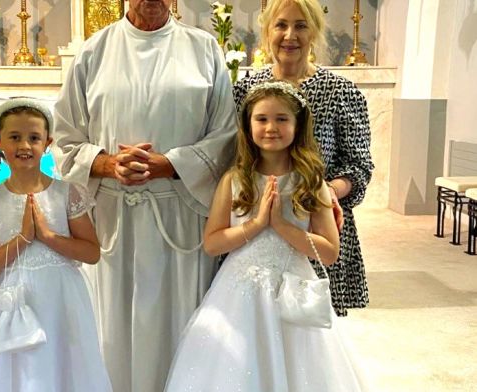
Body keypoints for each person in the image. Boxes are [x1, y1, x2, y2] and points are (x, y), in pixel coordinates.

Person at [52, 1, 238, 391]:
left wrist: (169, 164)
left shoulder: (204, 49)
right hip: (112, 217)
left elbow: (225, 136)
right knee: (111, 330)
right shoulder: (93, 51)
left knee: (178, 323)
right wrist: (107, 164)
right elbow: (66, 137)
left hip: (179, 216)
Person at [165, 81, 366, 391]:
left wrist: (282, 226)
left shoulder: (311, 182)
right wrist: (257, 224)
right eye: (261, 119)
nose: (271, 127)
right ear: (248, 126)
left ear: (298, 126)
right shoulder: (234, 180)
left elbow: (329, 252)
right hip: (239, 290)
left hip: (294, 287)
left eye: (282, 119)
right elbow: (213, 242)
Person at [233, 0, 374, 316]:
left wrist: (322, 193)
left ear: (315, 32)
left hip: (314, 225)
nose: (289, 35)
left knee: (311, 333)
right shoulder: (247, 88)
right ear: (267, 31)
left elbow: (359, 166)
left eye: (300, 25)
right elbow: (236, 155)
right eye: (281, 25)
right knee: (257, 325)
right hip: (258, 229)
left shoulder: (340, 91)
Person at [0, 98, 112, 392]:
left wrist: (49, 236)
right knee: (16, 369)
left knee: (62, 362)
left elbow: (92, 253)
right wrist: (22, 238)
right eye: (15, 137)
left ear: (48, 143)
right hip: (11, 298)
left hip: (60, 298)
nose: (25, 146)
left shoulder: (67, 194)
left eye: (34, 138)